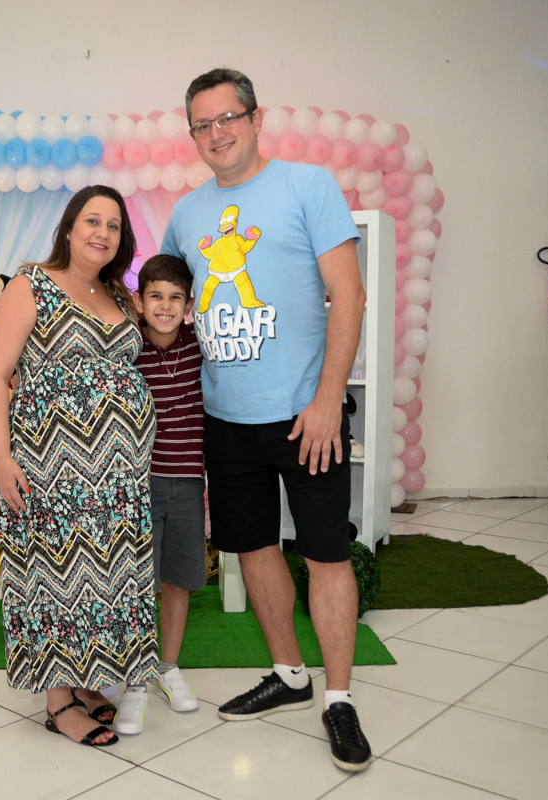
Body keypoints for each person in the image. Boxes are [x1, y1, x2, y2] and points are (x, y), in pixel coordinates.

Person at [160, 67, 373, 772]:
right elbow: (170, 316)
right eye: (202, 123)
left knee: (326, 556)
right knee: (252, 549)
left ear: (255, 119)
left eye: (228, 117)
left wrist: (325, 400)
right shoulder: (185, 216)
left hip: (305, 414)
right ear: (191, 133)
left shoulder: (308, 186)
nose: (216, 133)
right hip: (225, 421)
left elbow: (349, 295)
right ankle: (288, 675)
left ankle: (337, 699)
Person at [0, 185, 157, 748]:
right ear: (68, 227)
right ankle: (58, 704)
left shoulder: (117, 294)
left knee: (102, 576)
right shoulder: (30, 284)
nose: (102, 232)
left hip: (118, 473)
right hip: (52, 465)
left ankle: (85, 682)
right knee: (55, 574)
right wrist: (2, 457)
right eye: (92, 220)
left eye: (113, 224)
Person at [118, 254, 207, 734]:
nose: (166, 306)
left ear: (189, 304)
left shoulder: (199, 345)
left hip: (190, 484)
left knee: (177, 581)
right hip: (139, 485)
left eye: (176, 297)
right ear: (138, 300)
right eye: (156, 296)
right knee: (137, 583)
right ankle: (134, 680)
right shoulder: (127, 351)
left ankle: (167, 668)